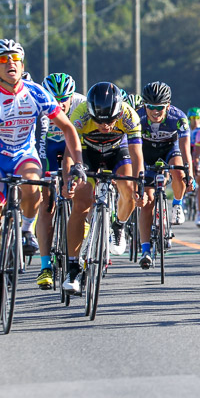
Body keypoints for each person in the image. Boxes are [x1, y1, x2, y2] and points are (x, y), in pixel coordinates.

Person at [0, 39, 85, 275]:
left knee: (31, 188)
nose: (10, 63)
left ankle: (27, 230)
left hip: (23, 155)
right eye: (3, 59)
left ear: (22, 63)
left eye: (15, 59)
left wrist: (78, 163)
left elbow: (68, 128)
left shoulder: (35, 92)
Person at [64, 82, 143, 294]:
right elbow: (70, 154)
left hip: (118, 152)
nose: (105, 126)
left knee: (129, 189)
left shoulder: (129, 115)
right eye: (99, 121)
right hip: (87, 153)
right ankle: (72, 267)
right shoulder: (79, 115)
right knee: (80, 204)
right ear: (90, 113)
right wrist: (68, 181)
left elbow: (137, 155)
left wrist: (140, 184)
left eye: (110, 120)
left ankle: (118, 226)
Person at [34, 73, 87, 289]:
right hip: (45, 145)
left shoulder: (81, 103)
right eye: (54, 98)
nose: (60, 103)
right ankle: (45, 265)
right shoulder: (40, 103)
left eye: (64, 98)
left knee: (77, 188)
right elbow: (38, 142)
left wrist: (71, 177)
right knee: (46, 204)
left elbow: (74, 146)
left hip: (71, 144)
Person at [136, 81, 194, 269]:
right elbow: (132, 151)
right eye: (150, 107)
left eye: (159, 107)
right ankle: (145, 249)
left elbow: (186, 152)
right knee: (147, 201)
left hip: (170, 150)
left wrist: (189, 174)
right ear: (145, 105)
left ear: (167, 105)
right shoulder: (137, 118)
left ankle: (177, 204)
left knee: (178, 171)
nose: (155, 111)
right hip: (146, 154)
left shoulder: (179, 118)